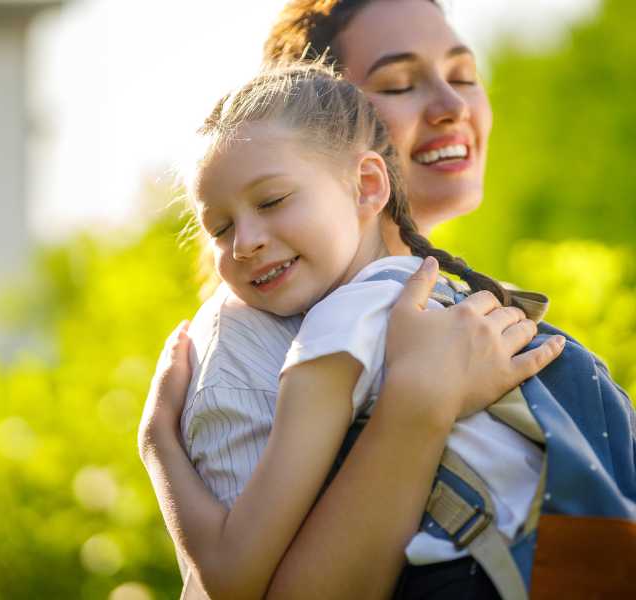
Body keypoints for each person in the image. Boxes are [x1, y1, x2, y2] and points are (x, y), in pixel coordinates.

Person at [139, 1, 566, 598]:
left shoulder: (446, 304)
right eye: (398, 84)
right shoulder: (258, 336)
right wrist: (419, 403)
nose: (452, 106)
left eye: (464, 75)